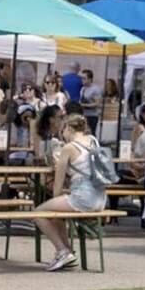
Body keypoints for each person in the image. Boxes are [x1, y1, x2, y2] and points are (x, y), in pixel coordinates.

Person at [30, 111, 113, 271]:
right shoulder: (94, 141)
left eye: (63, 131)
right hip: (100, 198)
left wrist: (55, 193)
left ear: (68, 128)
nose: (63, 135)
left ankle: (62, 251)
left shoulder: (68, 148)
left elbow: (58, 184)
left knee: (39, 213)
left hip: (83, 198)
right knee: (56, 213)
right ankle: (67, 251)